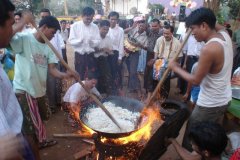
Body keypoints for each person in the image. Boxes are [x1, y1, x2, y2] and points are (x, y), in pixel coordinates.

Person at [10, 14, 78, 159]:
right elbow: (7, 36)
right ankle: (34, 154)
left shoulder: (49, 48)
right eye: (52, 32)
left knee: (41, 119)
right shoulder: (25, 39)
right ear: (44, 27)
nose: (53, 36)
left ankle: (37, 142)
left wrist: (67, 74)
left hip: (39, 91)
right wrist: (23, 22)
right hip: (24, 90)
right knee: (31, 130)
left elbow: (53, 70)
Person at [169, 8, 233, 151]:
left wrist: (175, 67)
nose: (192, 33)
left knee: (193, 133)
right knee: (211, 134)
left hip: (209, 104)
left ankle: (189, 154)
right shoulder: (225, 35)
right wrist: (201, 15)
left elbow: (195, 80)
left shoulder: (209, 49)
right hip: (224, 99)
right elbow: (215, 23)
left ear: (204, 25)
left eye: (193, 28)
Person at [40, 8, 65, 113]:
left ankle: (58, 101)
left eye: (46, 16)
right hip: (45, 62)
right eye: (43, 17)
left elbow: (61, 45)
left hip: (56, 59)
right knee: (50, 84)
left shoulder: (55, 33)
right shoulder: (33, 35)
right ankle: (51, 105)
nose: (45, 18)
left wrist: (61, 60)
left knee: (56, 83)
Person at [147, 25, 181, 101]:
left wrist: (173, 65)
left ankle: (162, 101)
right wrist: (155, 60)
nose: (165, 35)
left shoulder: (177, 43)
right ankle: (149, 98)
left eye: (167, 33)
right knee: (151, 79)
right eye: (164, 33)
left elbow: (179, 57)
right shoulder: (159, 40)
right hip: (159, 62)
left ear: (172, 33)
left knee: (165, 84)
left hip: (169, 64)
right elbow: (156, 51)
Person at [68, 6, 100, 80]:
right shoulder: (75, 26)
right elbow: (71, 41)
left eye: (91, 19)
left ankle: (90, 91)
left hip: (91, 56)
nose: (89, 21)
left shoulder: (95, 27)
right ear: (82, 16)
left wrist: (91, 42)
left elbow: (98, 41)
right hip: (80, 55)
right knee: (79, 75)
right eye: (87, 19)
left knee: (91, 76)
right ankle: (80, 90)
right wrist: (80, 41)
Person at [125, 19, 148, 99]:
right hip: (126, 50)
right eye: (140, 26)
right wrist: (131, 27)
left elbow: (145, 47)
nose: (141, 27)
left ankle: (137, 89)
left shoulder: (145, 36)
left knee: (133, 71)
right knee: (129, 71)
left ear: (145, 28)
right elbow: (125, 33)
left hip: (135, 53)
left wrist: (139, 44)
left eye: (143, 26)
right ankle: (131, 87)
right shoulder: (134, 29)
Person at [144, 18, 163, 102]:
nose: (153, 27)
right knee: (147, 71)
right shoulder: (149, 30)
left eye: (155, 26)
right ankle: (147, 91)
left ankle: (156, 93)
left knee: (156, 74)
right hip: (150, 53)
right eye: (152, 26)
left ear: (159, 25)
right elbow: (144, 28)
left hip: (159, 56)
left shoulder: (163, 33)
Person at [107, 11, 124, 95]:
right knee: (107, 72)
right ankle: (107, 89)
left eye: (115, 19)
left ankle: (115, 89)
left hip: (115, 54)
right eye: (111, 19)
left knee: (115, 72)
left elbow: (121, 44)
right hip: (105, 54)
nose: (113, 21)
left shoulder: (120, 30)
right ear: (108, 19)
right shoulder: (105, 28)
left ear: (117, 20)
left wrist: (120, 57)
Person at [94, 20, 113, 95]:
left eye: (107, 29)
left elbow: (110, 50)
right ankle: (96, 93)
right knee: (96, 77)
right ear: (99, 27)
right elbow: (91, 50)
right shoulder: (95, 37)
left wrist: (109, 52)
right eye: (104, 29)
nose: (105, 31)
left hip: (104, 59)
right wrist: (103, 49)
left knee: (105, 77)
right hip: (94, 60)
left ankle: (104, 93)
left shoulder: (108, 38)